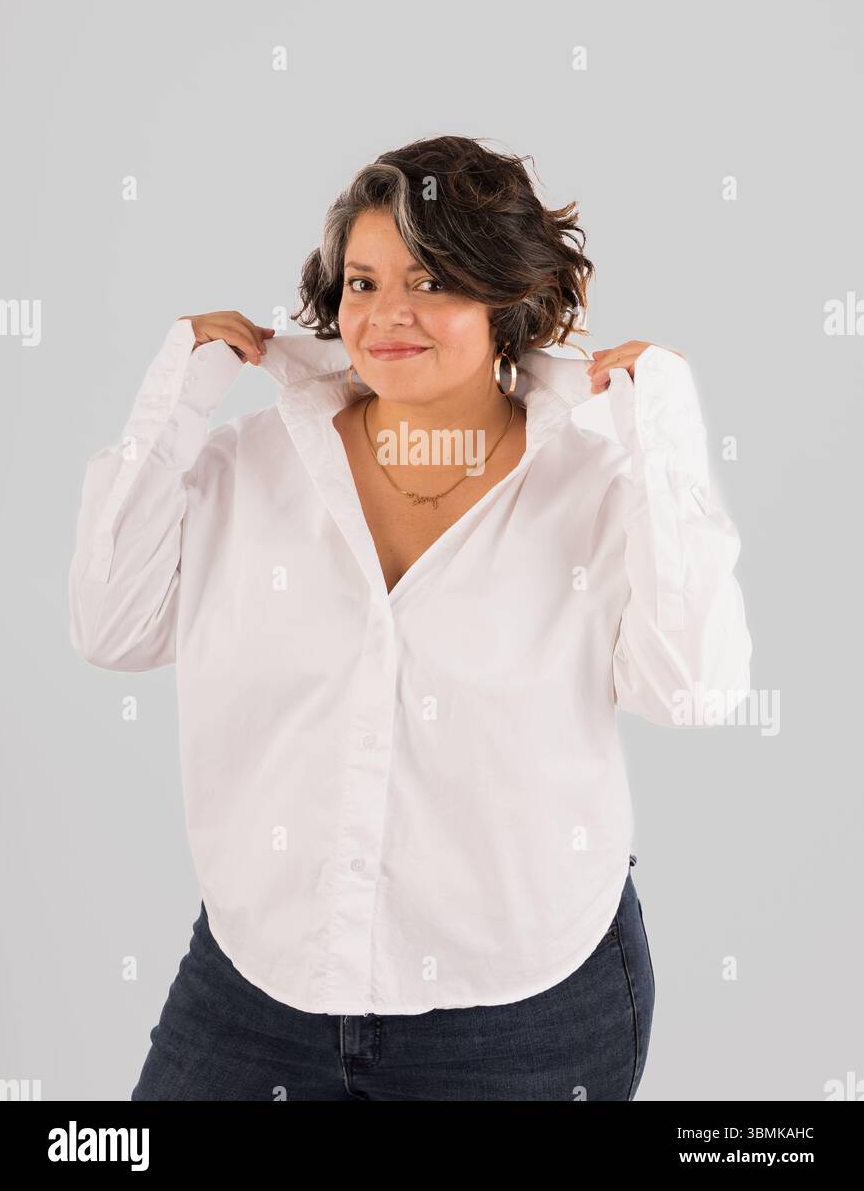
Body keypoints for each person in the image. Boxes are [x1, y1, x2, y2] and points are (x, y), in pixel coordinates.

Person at [68, 134, 752, 1101]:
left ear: (506, 296)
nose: (387, 314)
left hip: (520, 1015)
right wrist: (177, 396)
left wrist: (667, 440)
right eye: (361, 282)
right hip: (258, 989)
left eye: (429, 279)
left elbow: (695, 690)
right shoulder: (248, 469)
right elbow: (113, 628)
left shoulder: (600, 490)